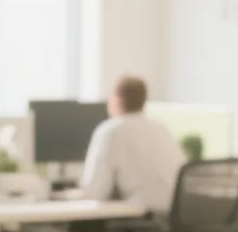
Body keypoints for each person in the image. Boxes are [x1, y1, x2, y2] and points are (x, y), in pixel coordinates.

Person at [77, 75, 186, 214]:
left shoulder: (111, 130)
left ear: (116, 100)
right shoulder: (162, 128)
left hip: (144, 214)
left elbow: (95, 191)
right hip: (174, 216)